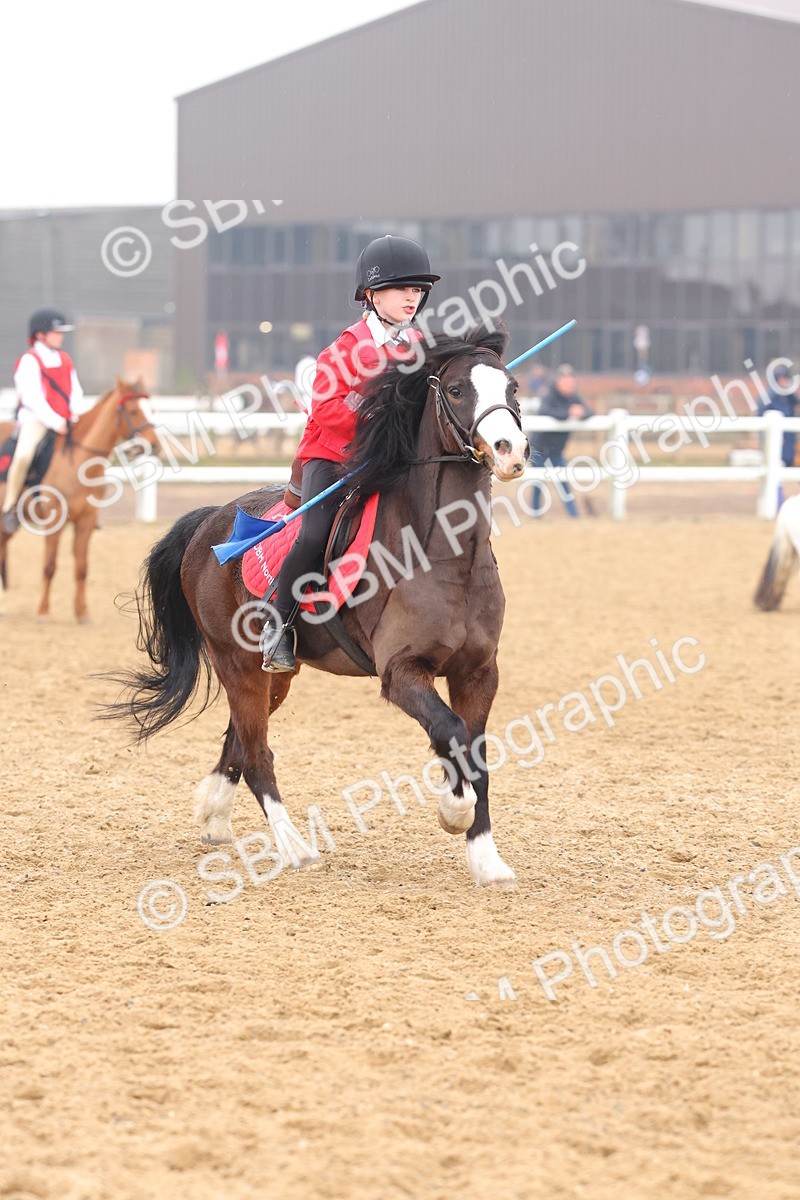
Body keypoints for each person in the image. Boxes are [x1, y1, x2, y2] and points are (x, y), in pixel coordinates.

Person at [261, 234, 440, 671]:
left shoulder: (420, 346)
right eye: (403, 289)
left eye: (418, 290)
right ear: (372, 294)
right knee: (315, 534)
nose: (412, 298)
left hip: (395, 458)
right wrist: (376, 439)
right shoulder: (341, 350)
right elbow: (326, 411)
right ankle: (277, 627)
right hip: (332, 455)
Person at [2, 308, 82, 534]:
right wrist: (55, 421)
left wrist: (75, 412)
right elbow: (32, 397)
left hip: (66, 419)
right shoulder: (29, 361)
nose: (61, 336)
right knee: (24, 455)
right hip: (37, 420)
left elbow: (75, 390)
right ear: (40, 335)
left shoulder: (64, 358)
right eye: (56, 332)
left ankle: (83, 504)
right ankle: (10, 506)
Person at [529, 364, 592, 517]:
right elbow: (545, 411)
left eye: (572, 383)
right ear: (559, 382)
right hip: (540, 447)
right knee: (538, 482)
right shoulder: (549, 396)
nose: (571, 386)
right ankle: (536, 514)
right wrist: (568, 413)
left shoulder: (574, 397)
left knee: (564, 482)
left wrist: (581, 413)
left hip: (557, 449)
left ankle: (573, 514)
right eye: (568, 383)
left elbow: (589, 412)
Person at [758, 362, 799, 509]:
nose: (783, 381)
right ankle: (778, 501)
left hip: (789, 440)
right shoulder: (769, 396)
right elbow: (761, 415)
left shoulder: (789, 396)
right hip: (775, 441)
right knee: (774, 470)